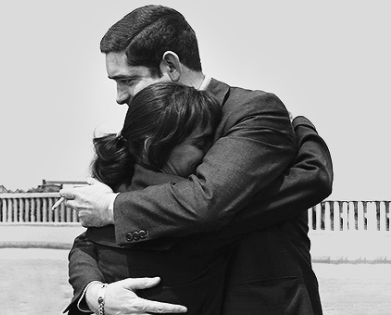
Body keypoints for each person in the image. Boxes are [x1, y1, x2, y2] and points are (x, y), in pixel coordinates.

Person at [61, 5, 333, 315]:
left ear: (170, 65)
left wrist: (112, 207)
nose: (120, 96)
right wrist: (97, 294)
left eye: (127, 80)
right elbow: (93, 239)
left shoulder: (251, 111)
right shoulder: (146, 126)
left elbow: (207, 201)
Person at [68, 82, 229, 315]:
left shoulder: (118, 193)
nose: (209, 154)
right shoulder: (197, 205)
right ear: (154, 144)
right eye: (201, 143)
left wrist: (94, 294)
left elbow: (84, 245)